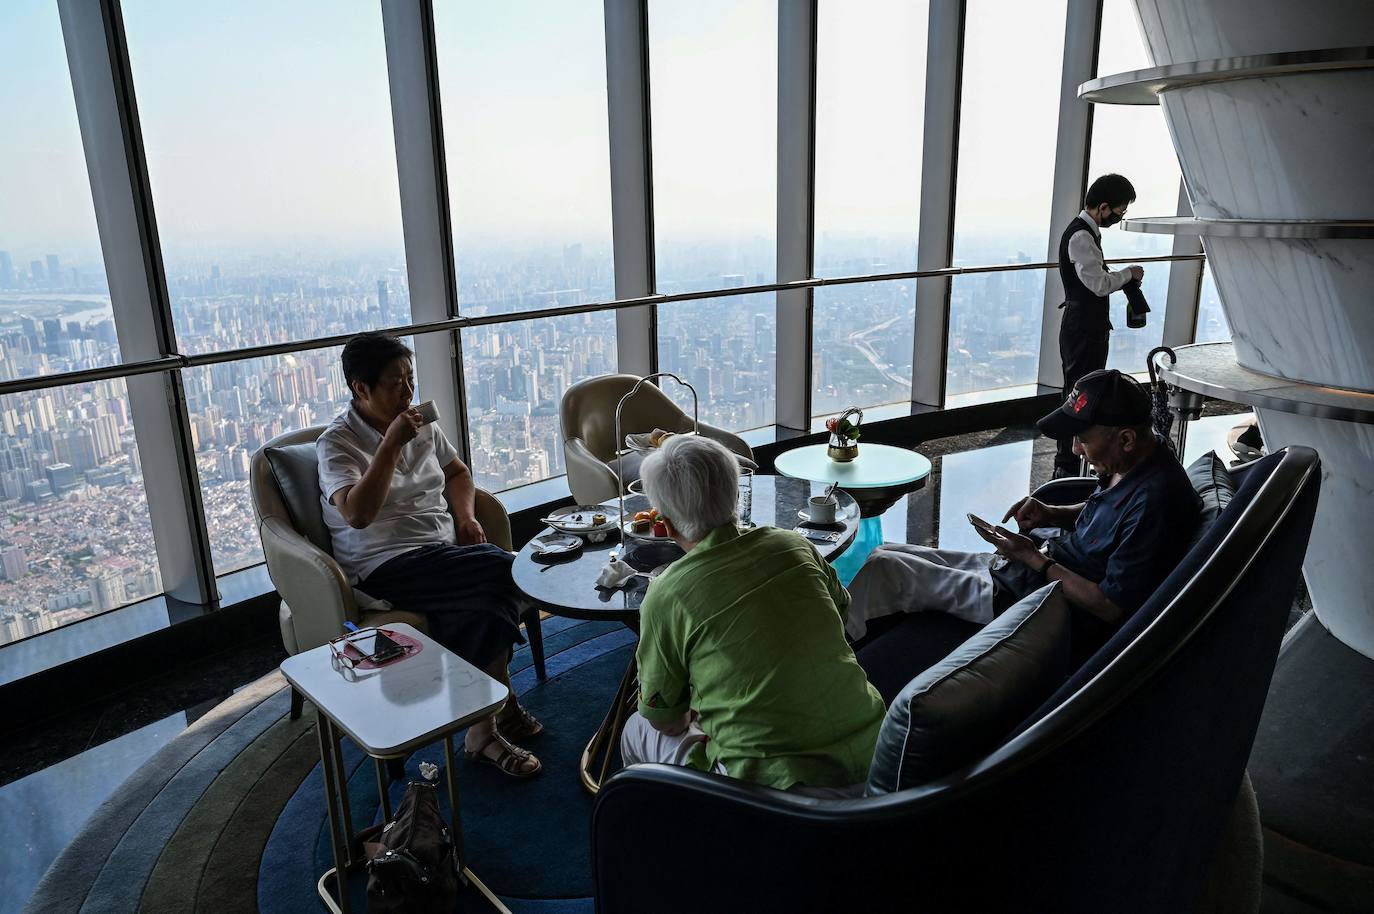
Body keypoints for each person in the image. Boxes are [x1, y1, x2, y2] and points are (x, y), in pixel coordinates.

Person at [316, 332, 544, 778]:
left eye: (410, 378)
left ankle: (483, 729)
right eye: (394, 382)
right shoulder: (337, 443)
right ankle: (500, 705)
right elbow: (357, 514)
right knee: (507, 568)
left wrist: (464, 518)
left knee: (484, 607)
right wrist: (390, 444)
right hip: (384, 565)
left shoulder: (421, 423)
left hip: (440, 553)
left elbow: (457, 471)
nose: (407, 391)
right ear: (360, 389)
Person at [847, 370, 1201, 654]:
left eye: (1084, 439)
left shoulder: (1157, 503)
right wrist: (1052, 513)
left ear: (1125, 438)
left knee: (886, 571)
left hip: (1041, 606)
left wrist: (1034, 559)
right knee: (886, 552)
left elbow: (1109, 606)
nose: (1076, 449)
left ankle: (833, 653)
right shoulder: (1132, 460)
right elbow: (1105, 517)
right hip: (1028, 574)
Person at [620, 435, 885, 797]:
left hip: (778, 788)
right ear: (736, 496)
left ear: (664, 521)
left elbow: (663, 719)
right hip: (876, 750)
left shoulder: (668, 594)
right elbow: (839, 613)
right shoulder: (795, 546)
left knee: (636, 729)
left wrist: (692, 714)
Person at [1055, 173, 1146, 478]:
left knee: (1082, 390)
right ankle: (1066, 462)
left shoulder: (1087, 232)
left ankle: (1074, 456)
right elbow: (1098, 285)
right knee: (1078, 393)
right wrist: (1129, 273)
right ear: (1103, 207)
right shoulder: (1081, 236)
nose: (1120, 217)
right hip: (1082, 328)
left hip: (1086, 325)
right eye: (1120, 211)